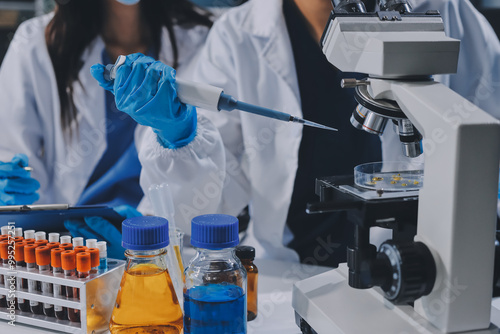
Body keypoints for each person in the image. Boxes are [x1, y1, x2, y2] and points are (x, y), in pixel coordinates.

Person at [92, 0, 500, 265]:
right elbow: (208, 205)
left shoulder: (448, 14)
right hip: (291, 277)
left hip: (431, 269)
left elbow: (489, 131)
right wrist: (180, 135)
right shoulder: (240, 36)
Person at [0, 0, 211, 257]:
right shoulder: (37, 44)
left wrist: (179, 131)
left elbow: (214, 171)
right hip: (73, 245)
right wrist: (12, 187)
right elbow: (13, 153)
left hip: (167, 243)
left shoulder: (204, 39)